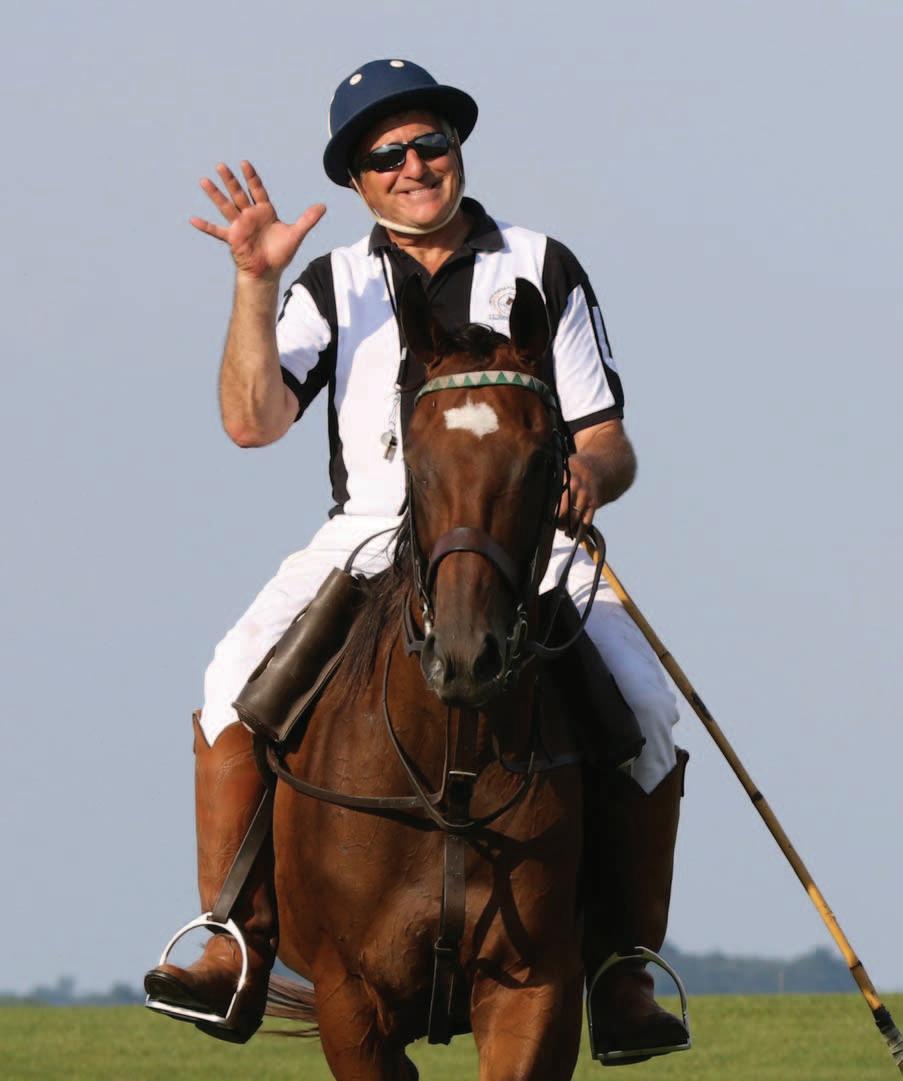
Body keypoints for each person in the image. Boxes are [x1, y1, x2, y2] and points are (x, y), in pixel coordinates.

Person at [145, 59, 689, 1063]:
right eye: (384, 156)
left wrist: (586, 477)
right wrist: (254, 284)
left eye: (427, 143)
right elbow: (251, 421)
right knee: (228, 684)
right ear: (358, 180)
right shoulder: (332, 283)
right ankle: (235, 940)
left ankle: (621, 966)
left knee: (649, 707)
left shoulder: (541, 264)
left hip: (522, 535)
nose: (412, 166)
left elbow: (608, 437)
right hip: (368, 534)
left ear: (456, 147)